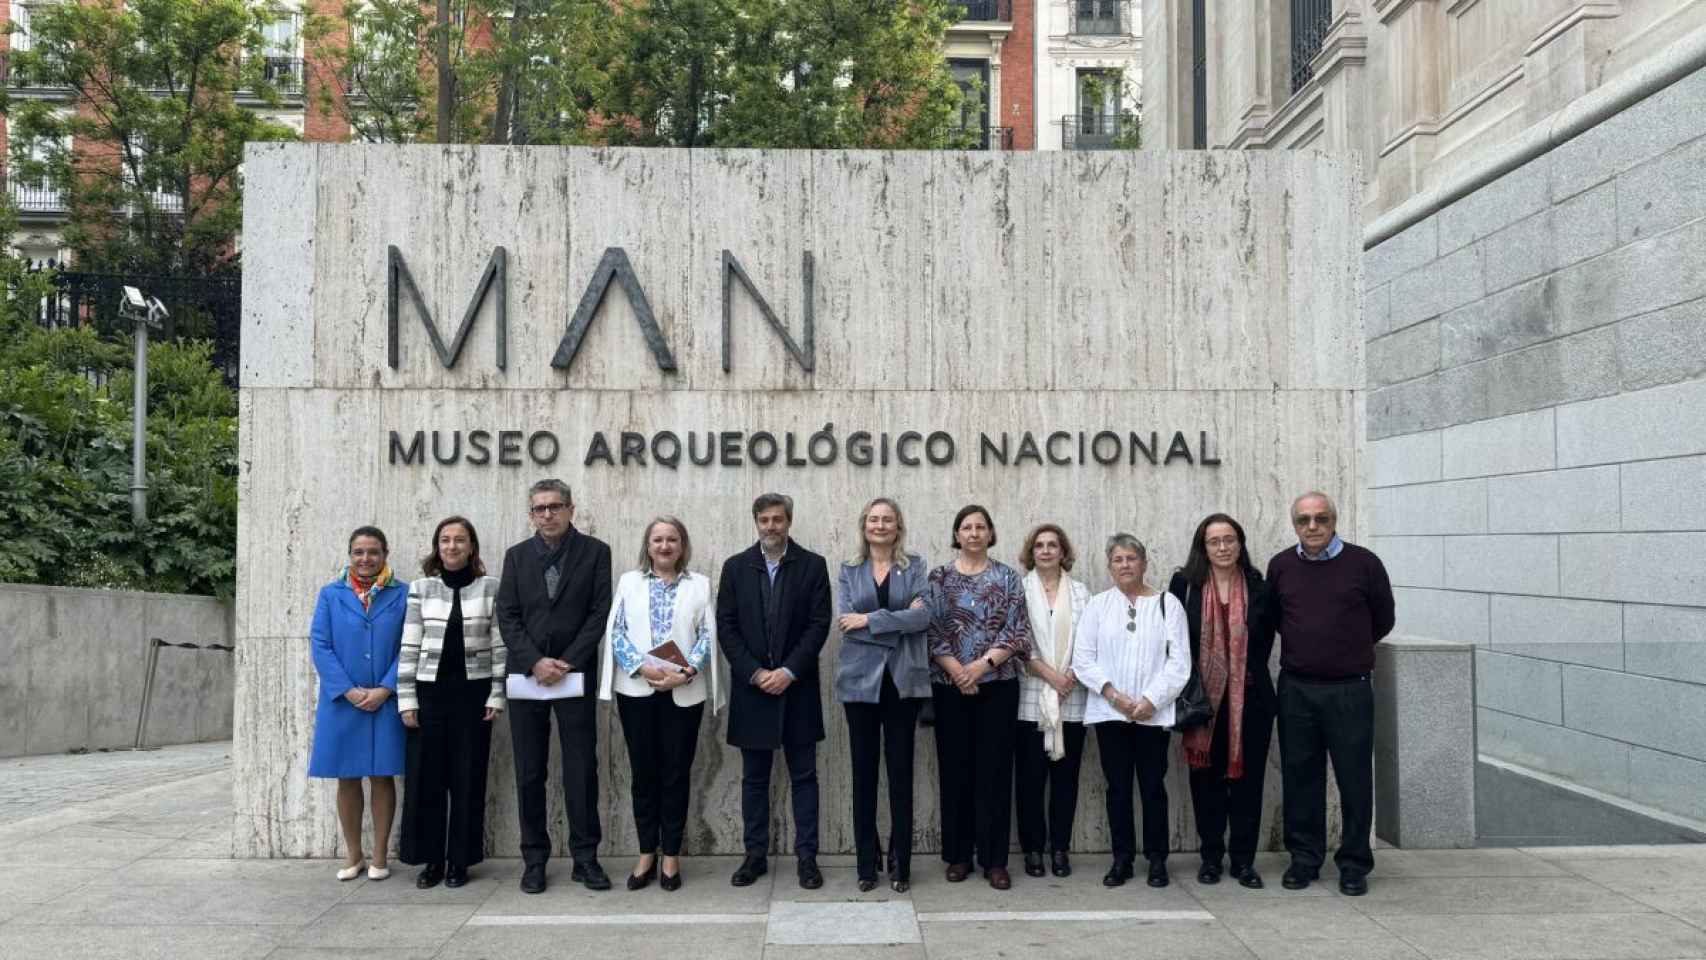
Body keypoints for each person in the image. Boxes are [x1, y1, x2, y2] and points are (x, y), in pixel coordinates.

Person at [1266, 492, 1394, 897]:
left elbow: (1383, 618)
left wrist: (1346, 651)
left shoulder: (1365, 564)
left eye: (1321, 518)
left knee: (1355, 779)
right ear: (1295, 525)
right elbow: (1276, 619)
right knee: (1301, 778)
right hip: (1297, 689)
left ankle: (1354, 864)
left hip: (1349, 690)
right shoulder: (1281, 566)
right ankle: (1304, 859)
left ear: (1334, 520)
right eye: (1304, 520)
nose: (1313, 527)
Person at [497, 479, 614, 894]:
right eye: (539, 508)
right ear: (531, 514)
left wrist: (566, 662)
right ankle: (534, 860)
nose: (547, 514)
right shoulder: (515, 557)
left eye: (555, 506)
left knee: (581, 769)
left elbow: (600, 613)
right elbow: (507, 616)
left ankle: (586, 859)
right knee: (530, 771)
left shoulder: (596, 552)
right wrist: (535, 661)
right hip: (527, 677)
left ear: (570, 509)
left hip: (574, 674)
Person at [598, 516, 724, 892]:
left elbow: (707, 635)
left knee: (675, 774)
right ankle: (645, 854)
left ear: (682, 545)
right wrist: (642, 667)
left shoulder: (700, 584)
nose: (665, 546)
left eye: (672, 540)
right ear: (648, 546)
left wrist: (684, 673)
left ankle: (671, 856)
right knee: (643, 774)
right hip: (637, 691)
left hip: (683, 692)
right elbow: (616, 631)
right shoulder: (629, 581)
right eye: (658, 540)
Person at [717, 493, 832, 890]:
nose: (771, 526)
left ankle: (807, 858)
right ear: (755, 522)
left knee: (804, 776)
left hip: (797, 688)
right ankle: (754, 856)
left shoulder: (812, 566)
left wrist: (788, 670)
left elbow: (819, 624)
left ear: (789, 521)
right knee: (754, 779)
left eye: (778, 519)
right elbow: (726, 627)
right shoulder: (735, 568)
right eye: (764, 519)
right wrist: (753, 672)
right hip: (752, 690)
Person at [1073, 534, 1191, 889]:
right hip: (1111, 714)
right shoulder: (1097, 606)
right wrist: (1114, 695)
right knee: (1118, 788)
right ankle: (1122, 859)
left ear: (1144, 563)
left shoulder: (1167, 605)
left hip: (1153, 715)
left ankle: (1157, 860)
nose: (1125, 565)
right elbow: (1083, 659)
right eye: (1118, 560)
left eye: (1131, 558)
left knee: (1153, 787)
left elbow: (1180, 663)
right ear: (1109, 567)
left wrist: (1150, 701)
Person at [1167, 513, 1275, 890]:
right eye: (1214, 541)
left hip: (1252, 702)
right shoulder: (1185, 585)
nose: (1223, 547)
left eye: (1229, 539)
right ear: (1203, 547)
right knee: (1205, 783)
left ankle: (1244, 861)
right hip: (1203, 704)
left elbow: (1266, 644)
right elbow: (1174, 642)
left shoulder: (1260, 586)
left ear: (1240, 544)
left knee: (1249, 783)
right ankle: (1211, 858)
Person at [397, 516, 505, 890]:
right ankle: (431, 861)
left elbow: (499, 645)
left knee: (467, 780)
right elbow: (409, 646)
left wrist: (496, 693)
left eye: (460, 540)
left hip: (473, 697)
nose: (452, 546)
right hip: (428, 696)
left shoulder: (490, 587)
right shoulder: (421, 588)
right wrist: (406, 699)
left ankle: (460, 861)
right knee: (426, 781)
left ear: (471, 547)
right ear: (437, 546)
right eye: (445, 540)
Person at [928, 504, 1031, 890]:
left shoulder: (1007, 577)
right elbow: (930, 630)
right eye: (966, 527)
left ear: (990, 533)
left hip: (998, 686)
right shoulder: (938, 578)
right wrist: (958, 670)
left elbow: (1017, 630)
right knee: (955, 772)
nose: (973, 533)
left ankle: (994, 861)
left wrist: (980, 667)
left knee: (995, 773)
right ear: (956, 535)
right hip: (949, 687)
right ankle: (958, 856)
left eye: (980, 527)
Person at [834, 497, 932, 893]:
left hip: (903, 682)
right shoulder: (848, 570)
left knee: (900, 773)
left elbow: (924, 617)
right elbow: (845, 622)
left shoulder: (916, 566)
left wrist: (870, 619)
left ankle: (901, 863)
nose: (880, 525)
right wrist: (898, 620)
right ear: (864, 526)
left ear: (898, 526)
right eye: (873, 519)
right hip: (859, 683)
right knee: (863, 775)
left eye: (887, 519)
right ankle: (865, 862)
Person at [308, 525, 408, 882]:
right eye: (359, 552)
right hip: (342, 702)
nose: (366, 559)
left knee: (383, 775)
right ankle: (354, 855)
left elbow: (409, 645)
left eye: (373, 552)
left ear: (385, 554)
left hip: (385, 700)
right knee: (346, 777)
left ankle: (380, 855)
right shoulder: (331, 594)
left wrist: (385, 688)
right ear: (350, 555)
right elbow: (320, 645)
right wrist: (348, 690)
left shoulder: (403, 594)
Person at [1014, 524, 1091, 879]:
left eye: (1052, 545)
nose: (1046, 551)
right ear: (1031, 552)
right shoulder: (1018, 591)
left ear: (1063, 552)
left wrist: (1070, 677)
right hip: (1032, 698)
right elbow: (1015, 643)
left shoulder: (1081, 593)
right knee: (1030, 781)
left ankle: (1059, 848)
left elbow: (1091, 643)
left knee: (1066, 779)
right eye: (1039, 546)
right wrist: (1050, 676)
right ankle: (1033, 850)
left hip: (1071, 698)